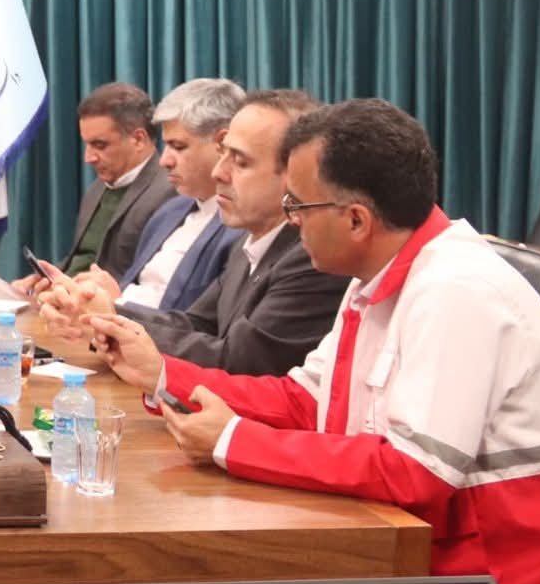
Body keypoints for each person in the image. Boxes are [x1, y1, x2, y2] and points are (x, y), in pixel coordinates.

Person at [92, 99, 540, 584]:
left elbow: (415, 473)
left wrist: (233, 442)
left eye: (298, 206)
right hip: (413, 575)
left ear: (356, 219)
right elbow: (307, 402)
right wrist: (164, 376)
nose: (291, 223)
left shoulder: (456, 291)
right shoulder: (378, 277)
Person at [45, 89, 347, 379]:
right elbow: (197, 323)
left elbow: (238, 362)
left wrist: (108, 323)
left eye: (240, 161)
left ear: (294, 176)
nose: (219, 172)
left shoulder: (311, 257)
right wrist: (102, 314)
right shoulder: (250, 240)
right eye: (223, 154)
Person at [102, 78, 245, 312]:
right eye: (166, 146)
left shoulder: (243, 226)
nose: (165, 161)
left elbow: (196, 322)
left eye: (178, 147)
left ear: (222, 143)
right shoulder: (168, 211)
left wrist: (114, 305)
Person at [11, 83, 171, 293]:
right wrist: (49, 278)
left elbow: (153, 288)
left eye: (100, 145)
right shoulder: (97, 188)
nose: (89, 158)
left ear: (138, 139)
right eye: (87, 145)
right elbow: (83, 259)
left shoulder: (170, 193)